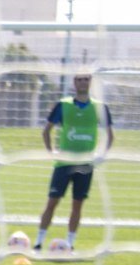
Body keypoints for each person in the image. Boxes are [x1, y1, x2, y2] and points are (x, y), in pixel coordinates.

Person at [37, 73, 113, 251]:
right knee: (52, 202)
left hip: (85, 165)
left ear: (90, 82)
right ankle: (39, 242)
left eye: (86, 79)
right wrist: (51, 152)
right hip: (63, 163)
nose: (82, 82)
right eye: (79, 79)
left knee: (77, 204)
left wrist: (101, 155)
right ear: (74, 82)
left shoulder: (99, 107)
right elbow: (46, 131)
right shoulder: (63, 105)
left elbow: (110, 135)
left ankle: (70, 244)